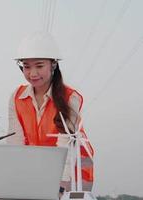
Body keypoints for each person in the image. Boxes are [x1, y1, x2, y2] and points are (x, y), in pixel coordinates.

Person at [6, 31, 94, 195]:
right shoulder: (16, 97)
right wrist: (15, 180)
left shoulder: (70, 97)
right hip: (39, 173)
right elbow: (15, 143)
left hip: (74, 175)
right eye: (26, 66)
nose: (32, 73)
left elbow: (65, 146)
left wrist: (60, 187)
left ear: (53, 65)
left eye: (39, 66)